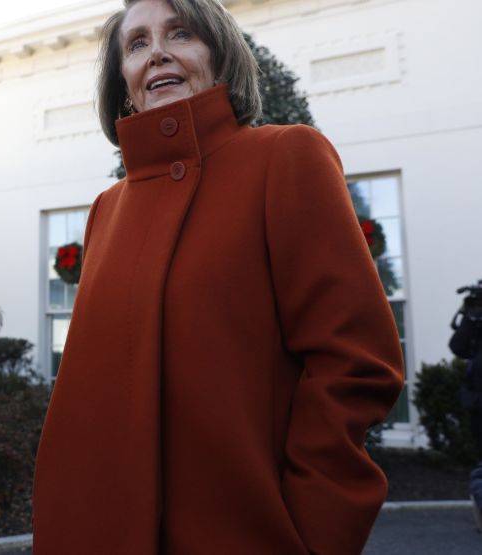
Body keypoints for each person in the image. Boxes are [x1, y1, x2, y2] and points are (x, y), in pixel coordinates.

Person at [32, 1, 405, 554]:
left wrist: (313, 533)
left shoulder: (286, 156)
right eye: (136, 44)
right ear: (124, 80)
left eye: (180, 34)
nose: (156, 51)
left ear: (220, 56)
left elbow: (355, 364)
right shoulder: (106, 209)